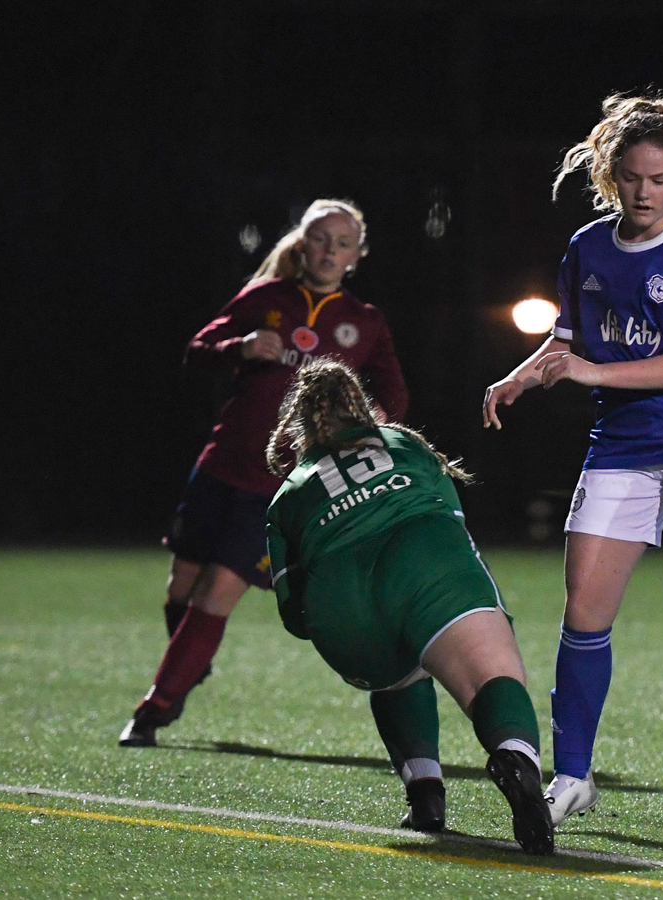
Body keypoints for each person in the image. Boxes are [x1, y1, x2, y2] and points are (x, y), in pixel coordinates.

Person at [482, 94, 663, 827]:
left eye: (659, 179)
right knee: (585, 613)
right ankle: (573, 776)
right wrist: (520, 375)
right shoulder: (587, 248)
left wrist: (591, 375)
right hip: (623, 445)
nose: (643, 191)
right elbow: (568, 340)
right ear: (610, 174)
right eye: (631, 176)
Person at [120, 200, 409, 746]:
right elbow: (198, 350)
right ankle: (186, 665)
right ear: (302, 244)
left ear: (356, 256)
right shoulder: (266, 299)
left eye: (341, 243)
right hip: (222, 462)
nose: (329, 251)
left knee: (215, 593)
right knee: (180, 588)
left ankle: (153, 710)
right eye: (320, 239)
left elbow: (392, 394)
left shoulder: (364, 323)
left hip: (282, 487)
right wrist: (241, 346)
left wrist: (365, 427)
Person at [264, 360, 553, 854]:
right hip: (423, 559)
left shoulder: (286, 495)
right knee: (488, 676)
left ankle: (425, 794)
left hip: (342, 607)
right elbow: (454, 526)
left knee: (397, 673)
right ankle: (515, 756)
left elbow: (294, 617)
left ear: (300, 423)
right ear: (360, 405)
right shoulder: (404, 442)